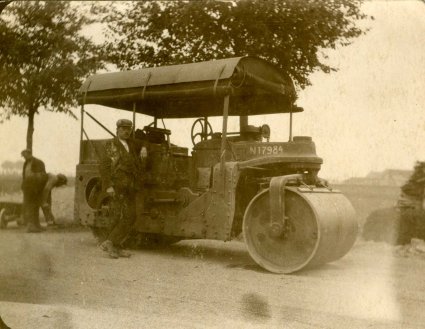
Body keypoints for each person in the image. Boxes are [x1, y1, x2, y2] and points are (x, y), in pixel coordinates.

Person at [99, 119, 146, 258]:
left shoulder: (131, 143)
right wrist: (108, 186)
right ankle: (111, 244)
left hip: (130, 186)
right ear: (117, 129)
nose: (127, 131)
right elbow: (104, 167)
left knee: (131, 216)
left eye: (129, 129)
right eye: (124, 128)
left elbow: (144, 141)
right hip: (117, 185)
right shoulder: (110, 145)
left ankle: (115, 244)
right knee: (117, 215)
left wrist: (143, 147)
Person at [21, 149, 47, 233]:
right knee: (29, 206)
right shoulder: (25, 163)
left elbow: (42, 176)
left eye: (25, 156)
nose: (24, 158)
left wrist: (37, 187)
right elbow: (24, 176)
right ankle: (30, 226)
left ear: (29, 154)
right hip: (27, 187)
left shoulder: (39, 162)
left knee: (35, 206)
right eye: (23, 156)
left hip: (35, 188)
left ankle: (36, 225)